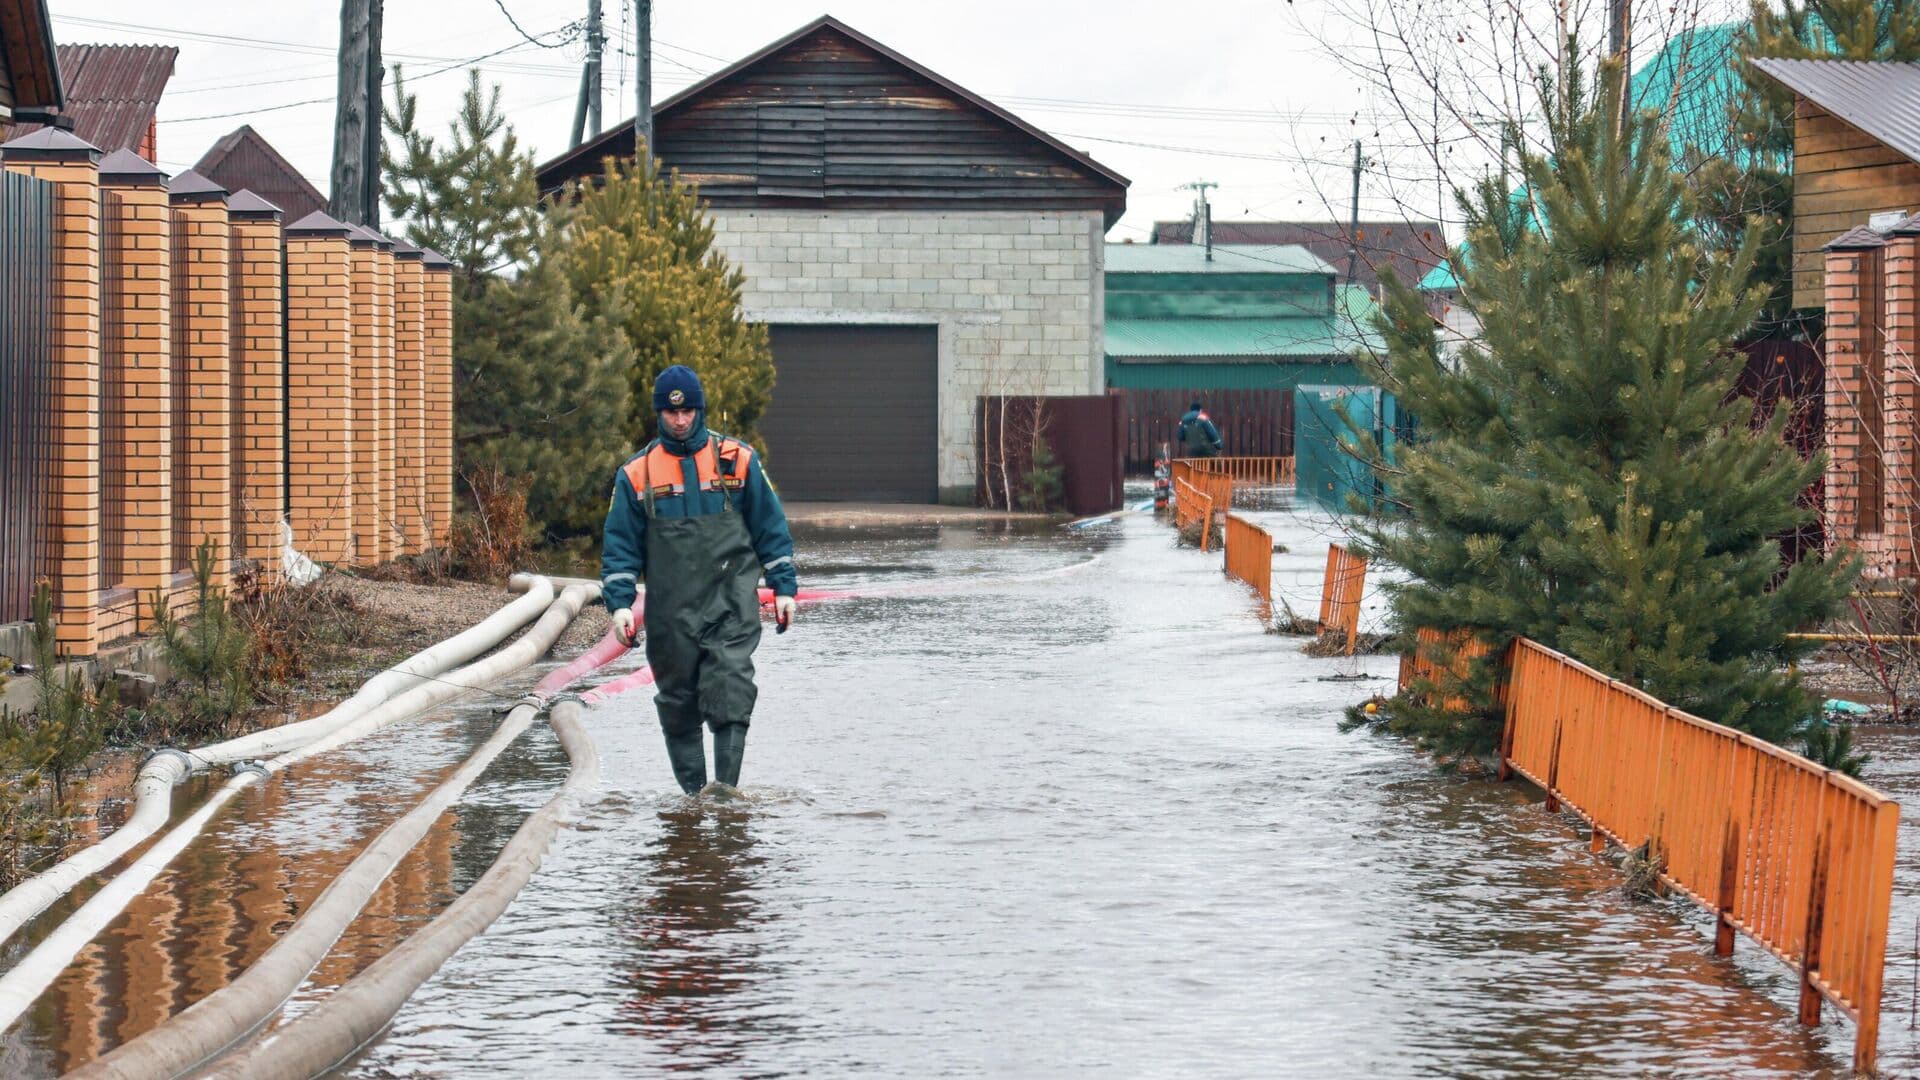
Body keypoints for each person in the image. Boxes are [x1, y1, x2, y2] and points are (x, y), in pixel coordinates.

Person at [601, 365, 798, 793]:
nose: (680, 420)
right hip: (670, 612)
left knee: (730, 687)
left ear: (700, 409)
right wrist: (619, 605)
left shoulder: (738, 460)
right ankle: (694, 802)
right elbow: (620, 547)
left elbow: (771, 528)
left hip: (731, 603)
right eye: (671, 412)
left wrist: (784, 588)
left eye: (688, 410)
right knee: (678, 704)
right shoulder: (636, 474)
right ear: (659, 413)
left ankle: (724, 797)